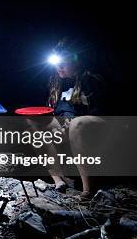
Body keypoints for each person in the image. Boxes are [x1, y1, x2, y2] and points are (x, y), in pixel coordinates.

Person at [43, 38, 107, 199]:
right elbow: (54, 112)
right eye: (56, 63)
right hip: (68, 124)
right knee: (37, 126)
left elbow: (101, 112)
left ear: (76, 61)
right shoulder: (56, 81)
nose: (59, 67)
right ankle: (59, 181)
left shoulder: (90, 79)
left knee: (77, 124)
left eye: (64, 62)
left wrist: (70, 124)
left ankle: (87, 190)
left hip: (96, 125)